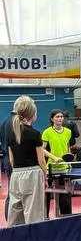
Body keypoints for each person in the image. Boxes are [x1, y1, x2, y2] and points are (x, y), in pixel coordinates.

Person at [6, 96, 47, 226]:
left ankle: (13, 237)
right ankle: (35, 238)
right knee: (34, 214)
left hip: (16, 175)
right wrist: (45, 176)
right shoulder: (35, 134)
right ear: (33, 115)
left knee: (15, 214)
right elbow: (41, 161)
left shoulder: (11, 134)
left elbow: (12, 160)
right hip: (32, 175)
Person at [41, 110, 74, 216]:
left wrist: (69, 158)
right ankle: (45, 217)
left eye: (61, 116)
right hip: (51, 167)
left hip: (64, 167)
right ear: (52, 119)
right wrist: (54, 158)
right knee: (46, 193)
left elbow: (67, 147)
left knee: (65, 193)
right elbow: (42, 149)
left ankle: (66, 217)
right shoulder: (47, 132)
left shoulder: (68, 132)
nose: (60, 118)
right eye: (57, 117)